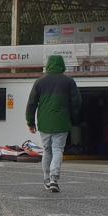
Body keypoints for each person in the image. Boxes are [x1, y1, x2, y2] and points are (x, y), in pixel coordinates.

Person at [26, 54, 82, 192]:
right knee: (58, 150)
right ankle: (54, 179)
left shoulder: (39, 82)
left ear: (48, 65)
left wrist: (31, 122)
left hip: (44, 122)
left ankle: (46, 178)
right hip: (62, 121)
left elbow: (31, 103)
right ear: (62, 65)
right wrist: (74, 119)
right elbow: (77, 102)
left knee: (47, 150)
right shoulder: (69, 82)